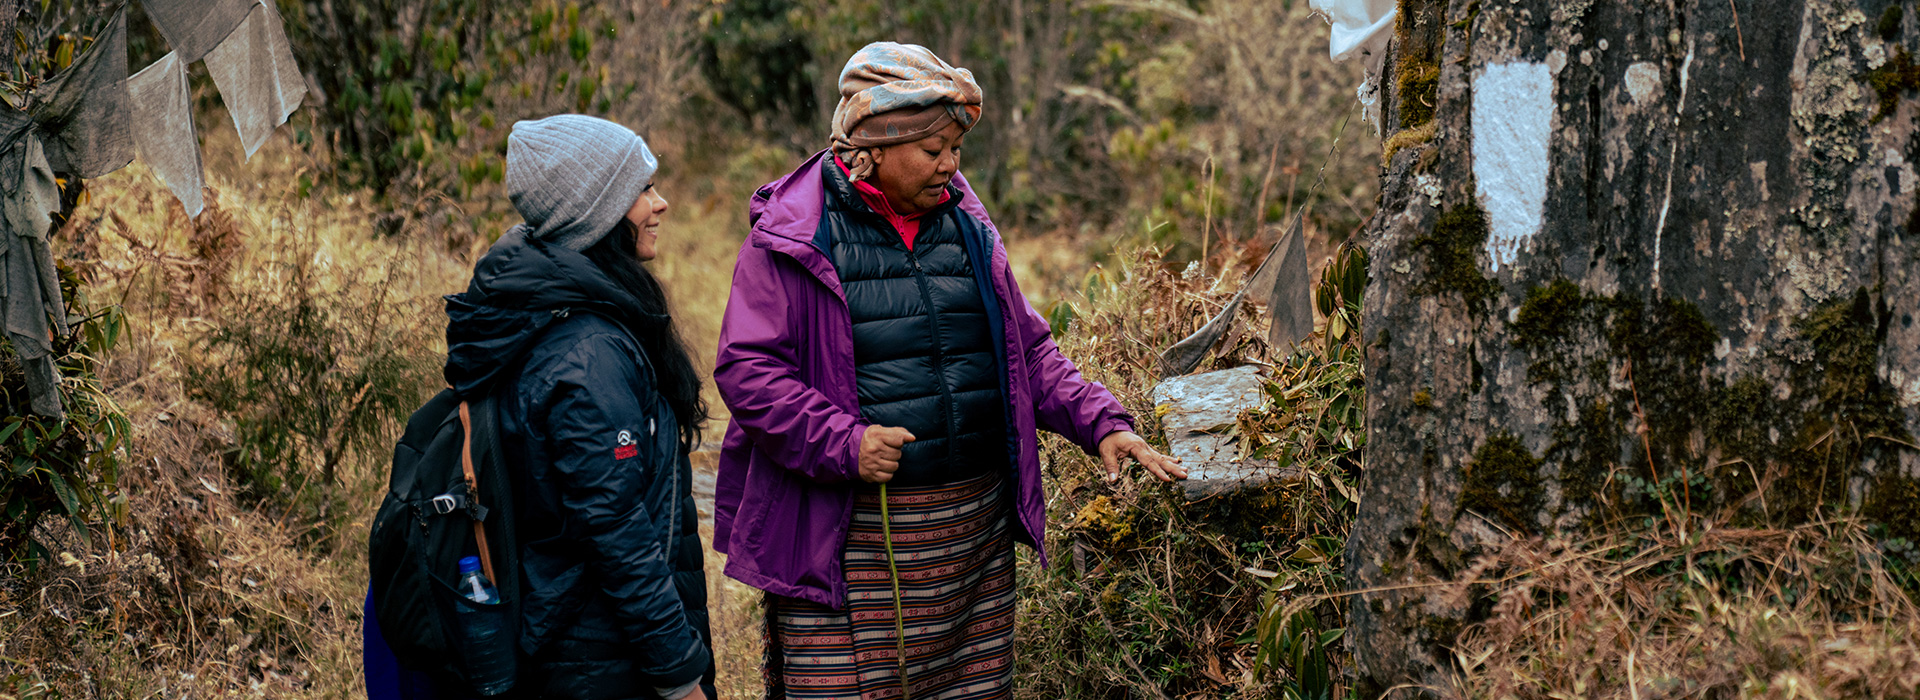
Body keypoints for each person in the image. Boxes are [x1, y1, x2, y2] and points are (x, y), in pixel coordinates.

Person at [712, 42, 1187, 699]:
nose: (951, 164)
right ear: (875, 145)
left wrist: (1102, 422)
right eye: (933, 149)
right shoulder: (795, 234)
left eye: (957, 148)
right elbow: (748, 369)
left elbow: (1024, 350)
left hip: (969, 546)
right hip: (851, 543)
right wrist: (844, 443)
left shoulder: (966, 224)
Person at [435, 114, 715, 700]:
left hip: (586, 643)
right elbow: (617, 534)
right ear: (598, 214)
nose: (660, 203)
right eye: (642, 189)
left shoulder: (561, 312)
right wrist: (680, 676)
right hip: (600, 658)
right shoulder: (587, 353)